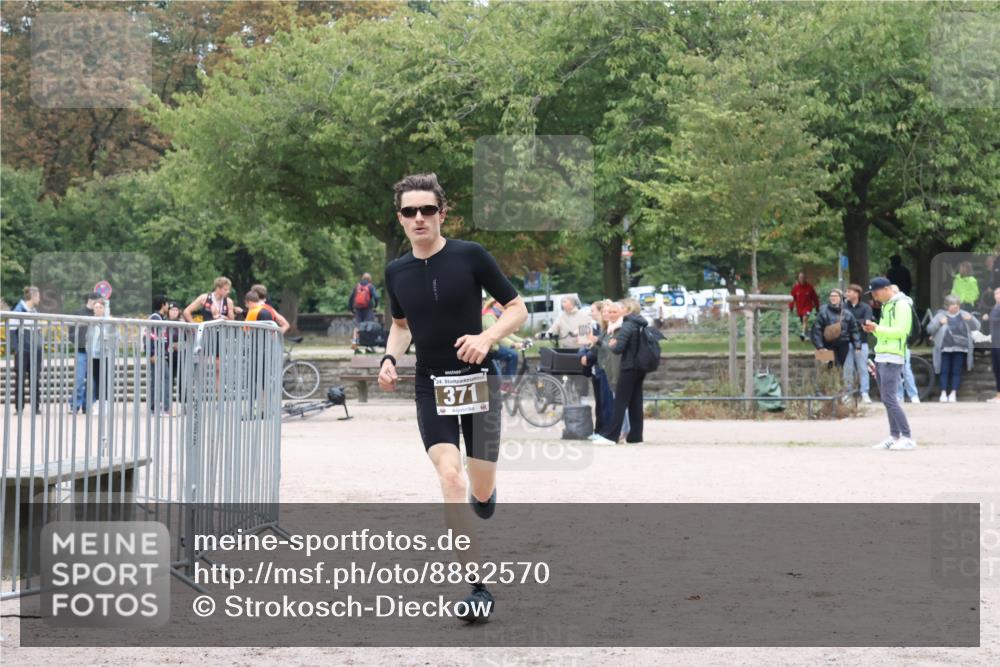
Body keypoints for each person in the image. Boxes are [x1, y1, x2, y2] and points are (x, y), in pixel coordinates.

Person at [378, 173, 527, 622]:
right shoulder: (396, 271)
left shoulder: (471, 256)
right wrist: (389, 357)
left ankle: (487, 492)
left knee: (479, 488)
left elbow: (517, 308)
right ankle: (476, 586)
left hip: (477, 379)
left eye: (427, 210)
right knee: (451, 478)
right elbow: (401, 326)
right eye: (409, 211)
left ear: (442, 213)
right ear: (400, 218)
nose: (419, 218)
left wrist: (487, 337)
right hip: (431, 385)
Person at [863, 277, 916, 450]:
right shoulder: (887, 305)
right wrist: (874, 329)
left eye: (876, 292)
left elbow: (902, 332)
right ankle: (894, 436)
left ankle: (907, 436)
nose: (874, 297)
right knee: (887, 399)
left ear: (887, 289)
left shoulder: (901, 305)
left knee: (890, 398)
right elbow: (886, 333)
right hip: (882, 355)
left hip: (893, 357)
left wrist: (877, 329)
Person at [589, 299, 648, 446]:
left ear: (626, 311)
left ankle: (611, 437)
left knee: (620, 403)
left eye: (617, 311)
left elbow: (618, 348)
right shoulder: (640, 324)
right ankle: (636, 437)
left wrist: (613, 345)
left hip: (627, 367)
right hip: (639, 367)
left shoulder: (627, 325)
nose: (612, 313)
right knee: (635, 403)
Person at [926, 294, 981, 403]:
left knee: (956, 371)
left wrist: (971, 320)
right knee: (944, 370)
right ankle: (943, 393)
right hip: (945, 348)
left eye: (957, 304)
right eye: (952, 304)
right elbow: (929, 329)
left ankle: (953, 393)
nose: (955, 306)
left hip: (961, 348)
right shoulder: (940, 315)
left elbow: (977, 327)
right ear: (946, 306)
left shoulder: (965, 314)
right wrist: (940, 323)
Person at [9, 286, 43, 414]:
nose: (39, 299)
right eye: (38, 296)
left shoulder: (34, 311)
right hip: (23, 351)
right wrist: (17, 349)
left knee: (35, 379)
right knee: (20, 379)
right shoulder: (18, 310)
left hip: (35, 351)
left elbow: (38, 330)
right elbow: (12, 331)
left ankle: (35, 407)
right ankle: (19, 408)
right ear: (33, 297)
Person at [581, 301, 614, 433]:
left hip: (605, 367)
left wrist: (588, 355)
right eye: (605, 311)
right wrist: (584, 352)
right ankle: (600, 430)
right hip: (598, 367)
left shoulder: (610, 328)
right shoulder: (596, 327)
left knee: (607, 402)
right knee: (601, 402)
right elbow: (586, 343)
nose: (606, 314)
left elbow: (605, 347)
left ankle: (607, 431)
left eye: (609, 311)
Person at [810, 289, 861, 369]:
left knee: (839, 367)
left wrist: (857, 345)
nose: (833, 298)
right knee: (825, 368)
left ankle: (837, 381)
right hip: (826, 345)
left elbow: (854, 330)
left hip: (843, 345)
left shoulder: (847, 314)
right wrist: (819, 346)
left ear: (840, 298)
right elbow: (817, 331)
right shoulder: (823, 312)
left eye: (835, 296)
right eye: (831, 296)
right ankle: (827, 381)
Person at [890, 285, 921, 404]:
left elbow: (913, 324)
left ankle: (913, 394)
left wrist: (908, 340)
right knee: (895, 370)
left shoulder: (905, 304)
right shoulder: (888, 306)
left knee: (905, 369)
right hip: (891, 342)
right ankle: (899, 395)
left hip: (903, 342)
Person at [842, 285, 874, 403]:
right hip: (846, 343)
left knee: (862, 368)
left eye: (849, 292)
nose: (847, 294)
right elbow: (841, 322)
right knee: (847, 369)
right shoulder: (843, 307)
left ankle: (864, 392)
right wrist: (859, 322)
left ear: (857, 294)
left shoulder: (866, 307)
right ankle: (848, 393)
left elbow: (867, 322)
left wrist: (853, 321)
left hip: (862, 342)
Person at [481, 298, 524, 385]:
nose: (505, 306)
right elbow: (497, 335)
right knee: (512, 354)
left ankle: (507, 380)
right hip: (491, 349)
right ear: (496, 303)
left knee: (512, 355)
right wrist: (512, 344)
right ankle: (507, 381)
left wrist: (522, 340)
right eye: (503, 303)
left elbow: (506, 333)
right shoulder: (488, 316)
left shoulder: (495, 315)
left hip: (495, 347)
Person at [87, 298, 117, 415]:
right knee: (97, 380)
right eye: (96, 307)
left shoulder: (109, 321)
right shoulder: (91, 321)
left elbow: (116, 336)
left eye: (100, 307)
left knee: (105, 380)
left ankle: (105, 405)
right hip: (94, 355)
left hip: (105, 355)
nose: (98, 309)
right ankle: (99, 404)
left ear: (104, 309)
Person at [71, 292, 99, 413]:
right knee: (79, 379)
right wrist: (78, 341)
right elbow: (71, 332)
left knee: (92, 381)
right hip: (81, 350)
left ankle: (87, 406)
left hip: (94, 352)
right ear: (90, 300)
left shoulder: (97, 314)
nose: (98, 305)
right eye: (96, 302)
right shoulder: (79, 313)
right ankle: (74, 405)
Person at [147, 295, 173, 414]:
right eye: (167, 303)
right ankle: (164, 407)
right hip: (158, 354)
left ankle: (156, 406)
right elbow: (149, 336)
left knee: (159, 379)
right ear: (163, 304)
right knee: (164, 379)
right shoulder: (156, 317)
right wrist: (152, 353)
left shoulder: (160, 317)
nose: (168, 306)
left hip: (160, 353)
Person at [349, 273, 379, 351]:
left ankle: (355, 342)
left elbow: (351, 298)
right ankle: (368, 346)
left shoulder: (357, 286)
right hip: (368, 309)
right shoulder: (370, 286)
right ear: (370, 279)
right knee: (368, 326)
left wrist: (351, 309)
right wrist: (375, 305)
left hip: (358, 309)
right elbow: (376, 296)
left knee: (357, 326)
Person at [790, 272, 820, 341]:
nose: (802, 279)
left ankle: (803, 333)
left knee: (805, 318)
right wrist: (791, 307)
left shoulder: (810, 287)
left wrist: (817, 307)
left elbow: (815, 298)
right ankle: (808, 334)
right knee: (803, 322)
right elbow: (792, 299)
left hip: (808, 308)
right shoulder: (795, 288)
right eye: (800, 277)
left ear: (805, 278)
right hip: (799, 309)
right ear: (798, 278)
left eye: (803, 277)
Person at [984, 286, 1000, 403]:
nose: (997, 295)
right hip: (994, 342)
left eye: (999, 293)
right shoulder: (995, 308)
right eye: (996, 293)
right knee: (996, 368)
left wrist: (990, 318)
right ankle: (999, 394)